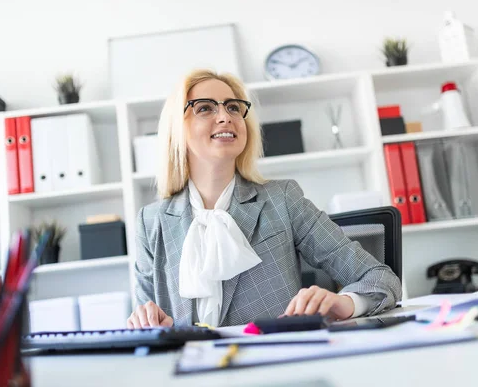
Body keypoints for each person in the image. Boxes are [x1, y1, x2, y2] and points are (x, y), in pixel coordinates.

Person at [126, 69, 402, 329]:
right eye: (205, 108)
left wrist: (344, 303)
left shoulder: (282, 200)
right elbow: (148, 323)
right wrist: (147, 322)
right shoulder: (151, 223)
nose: (225, 117)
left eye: (233, 107)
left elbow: (381, 279)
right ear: (177, 129)